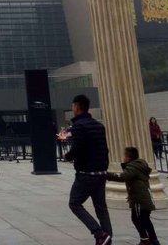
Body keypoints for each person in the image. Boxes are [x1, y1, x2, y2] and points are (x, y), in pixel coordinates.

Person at [64, 94, 112, 245]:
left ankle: (99, 234)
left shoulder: (78, 126)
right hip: (101, 172)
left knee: (74, 203)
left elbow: (78, 147)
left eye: (73, 107)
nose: (72, 109)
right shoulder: (99, 125)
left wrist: (68, 156)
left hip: (86, 173)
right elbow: (105, 149)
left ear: (77, 107)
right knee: (101, 208)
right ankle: (108, 239)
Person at [107, 146, 160, 245]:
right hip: (142, 198)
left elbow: (122, 177)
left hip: (140, 200)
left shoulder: (133, 167)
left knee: (142, 219)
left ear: (129, 158)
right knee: (140, 219)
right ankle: (147, 239)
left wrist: (106, 174)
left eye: (125, 156)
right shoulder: (138, 165)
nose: (123, 158)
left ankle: (151, 240)